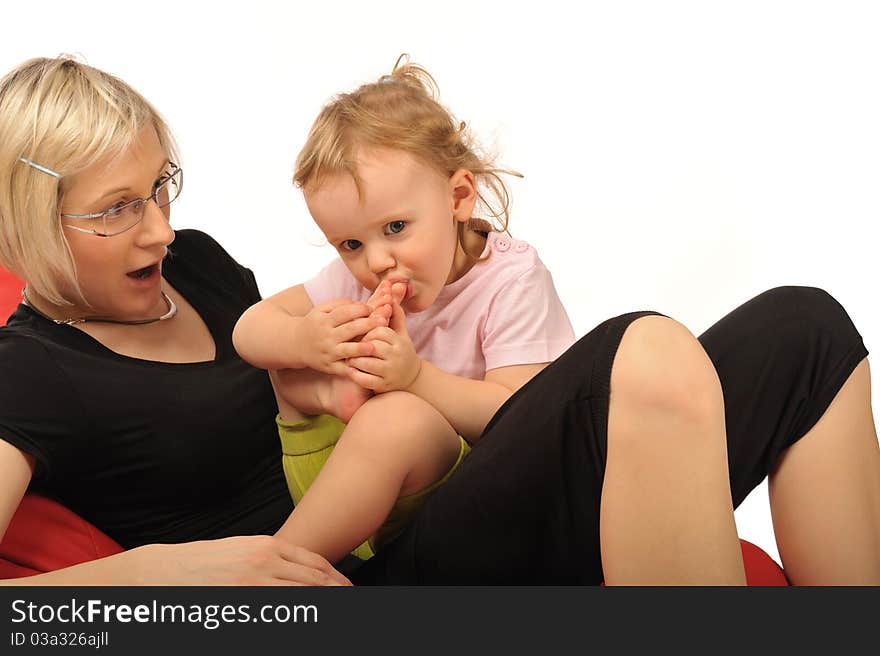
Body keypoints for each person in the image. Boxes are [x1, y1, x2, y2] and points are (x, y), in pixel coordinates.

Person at [0, 56, 878, 586]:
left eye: (160, 186)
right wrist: (152, 578)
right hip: (356, 582)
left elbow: (296, 372)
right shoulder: (26, 370)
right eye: (117, 209)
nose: (159, 226)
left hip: (427, 505)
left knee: (807, 328)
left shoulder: (192, 264)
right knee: (638, 351)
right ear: (33, 224)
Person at [231, 59, 576, 564]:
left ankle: (271, 568)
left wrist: (414, 378)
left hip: (480, 510)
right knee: (285, 368)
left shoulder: (511, 281)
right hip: (348, 499)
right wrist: (307, 341)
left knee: (398, 416)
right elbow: (248, 329)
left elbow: (520, 418)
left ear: (458, 196)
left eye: (395, 228)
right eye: (350, 243)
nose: (373, 262)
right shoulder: (354, 277)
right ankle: (288, 561)